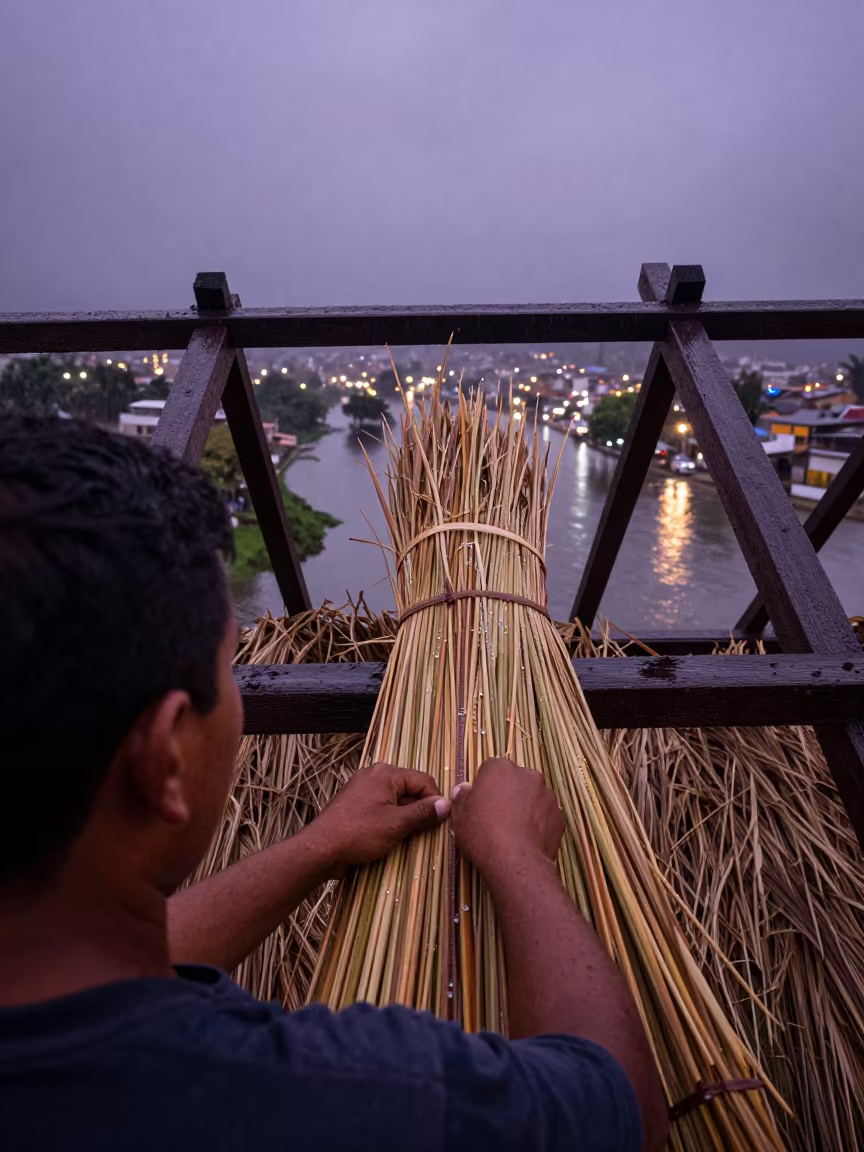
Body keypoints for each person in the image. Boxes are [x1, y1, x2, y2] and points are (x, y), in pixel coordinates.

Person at [0, 415, 667, 1152]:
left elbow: (113, 949)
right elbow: (619, 1105)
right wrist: (519, 858)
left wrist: (316, 847)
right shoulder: (326, 1099)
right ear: (163, 758)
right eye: (231, 668)